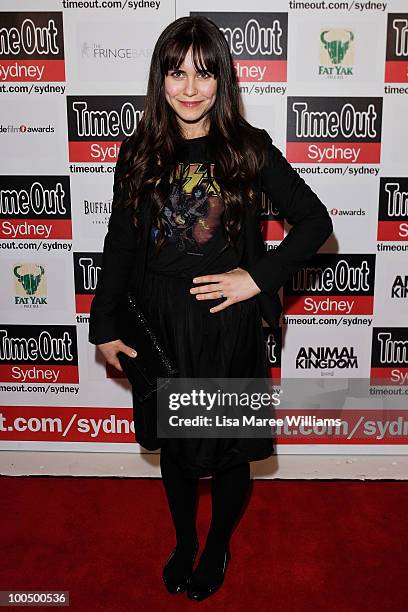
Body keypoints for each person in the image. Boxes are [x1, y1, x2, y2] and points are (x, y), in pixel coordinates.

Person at [88, 16, 333, 602]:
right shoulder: (138, 152)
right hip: (158, 325)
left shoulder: (248, 149)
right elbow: (121, 243)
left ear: (222, 78)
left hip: (226, 327)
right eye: (176, 72)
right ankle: (183, 542)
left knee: (227, 456)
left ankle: (218, 542)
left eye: (203, 72)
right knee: (175, 451)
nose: (190, 87)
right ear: (160, 78)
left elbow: (315, 222)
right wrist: (103, 323)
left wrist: (257, 277)